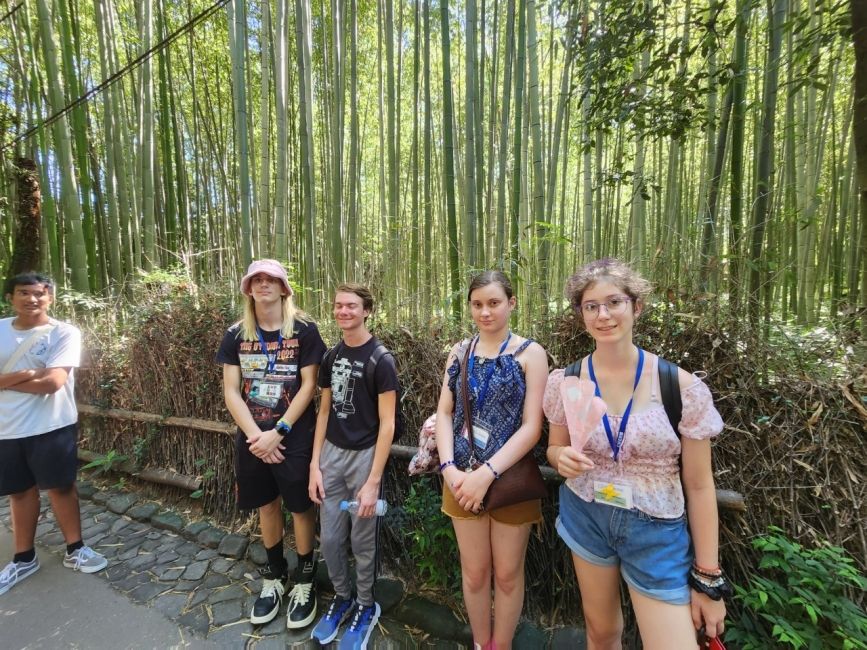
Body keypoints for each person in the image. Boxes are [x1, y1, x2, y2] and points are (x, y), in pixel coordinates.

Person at [544, 258, 729, 650]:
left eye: (614, 302)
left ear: (636, 307)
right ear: (580, 314)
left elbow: (698, 485)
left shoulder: (681, 387)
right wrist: (560, 458)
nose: (603, 314)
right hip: (586, 512)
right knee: (602, 634)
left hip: (656, 529)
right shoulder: (568, 380)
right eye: (591, 306)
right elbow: (554, 446)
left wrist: (708, 578)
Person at [434, 271, 549, 650]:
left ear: (512, 303)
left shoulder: (530, 354)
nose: (485, 312)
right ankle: (482, 643)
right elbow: (445, 414)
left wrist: (487, 473)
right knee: (475, 573)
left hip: (510, 478)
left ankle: (502, 644)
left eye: (494, 303)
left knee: (508, 575)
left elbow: (532, 427)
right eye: (477, 304)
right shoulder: (459, 352)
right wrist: (450, 469)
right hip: (460, 477)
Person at [216, 259, 326, 629]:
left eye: (271, 279)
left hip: (293, 433)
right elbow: (231, 392)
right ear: (248, 288)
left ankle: (306, 577)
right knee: (266, 504)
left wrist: (278, 431)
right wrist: (255, 437)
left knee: (299, 506)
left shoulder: (305, 330)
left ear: (284, 288)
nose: (263, 285)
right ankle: (275, 574)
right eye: (256, 279)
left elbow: (310, 385)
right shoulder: (236, 335)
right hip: (252, 434)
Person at [0, 272, 108, 596]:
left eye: (39, 293)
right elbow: (43, 377)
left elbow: (53, 382)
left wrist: (5, 379)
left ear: (50, 297)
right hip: (6, 427)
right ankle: (23, 557)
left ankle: (76, 549)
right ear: (10, 297)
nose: (32, 299)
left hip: (52, 424)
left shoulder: (64, 332)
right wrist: (33, 372)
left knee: (61, 487)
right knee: (19, 492)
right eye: (24, 293)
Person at [309, 283, 398, 650]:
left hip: (364, 456)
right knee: (330, 539)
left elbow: (388, 423)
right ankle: (342, 598)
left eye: (351, 306)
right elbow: (325, 410)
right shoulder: (331, 357)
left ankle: (365, 605)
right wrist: (314, 464)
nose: (343, 311)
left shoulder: (381, 358)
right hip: (331, 454)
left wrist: (373, 480)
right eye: (338, 306)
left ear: (366, 311)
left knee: (362, 541)